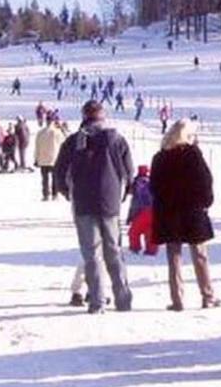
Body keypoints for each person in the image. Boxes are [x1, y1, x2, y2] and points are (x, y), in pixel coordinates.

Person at [53, 100, 134, 313]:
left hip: (83, 202)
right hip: (110, 202)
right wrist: (121, 194)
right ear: (102, 116)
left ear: (84, 116)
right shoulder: (116, 140)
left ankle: (97, 301)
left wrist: (68, 193)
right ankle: (123, 298)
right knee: (114, 251)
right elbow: (129, 171)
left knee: (91, 254)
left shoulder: (73, 142)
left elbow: (59, 172)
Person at [150, 119, 221, 311]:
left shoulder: (160, 157)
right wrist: (206, 203)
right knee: (200, 255)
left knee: (174, 257)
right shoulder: (194, 155)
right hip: (193, 212)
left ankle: (177, 299)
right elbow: (206, 181)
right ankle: (207, 296)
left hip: (169, 212)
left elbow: (154, 187)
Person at [125, 165, 158, 255]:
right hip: (154, 211)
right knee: (150, 231)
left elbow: (134, 201)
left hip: (141, 211)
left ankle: (135, 248)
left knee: (134, 232)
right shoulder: (154, 181)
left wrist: (130, 217)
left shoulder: (137, 182)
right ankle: (151, 250)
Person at [35, 116, 65, 200]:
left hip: (43, 158)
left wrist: (36, 158)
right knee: (55, 177)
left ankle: (45, 195)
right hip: (54, 158)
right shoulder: (57, 132)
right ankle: (55, 194)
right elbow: (63, 145)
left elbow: (37, 146)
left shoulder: (40, 133)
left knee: (45, 179)